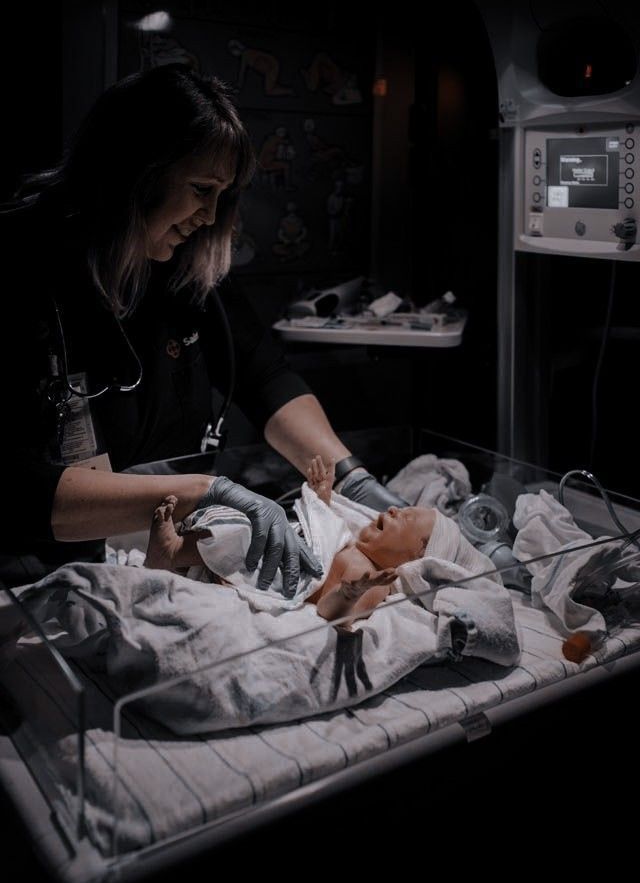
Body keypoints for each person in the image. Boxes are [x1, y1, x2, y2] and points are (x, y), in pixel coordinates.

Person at [1, 63, 405, 590]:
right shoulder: (24, 268)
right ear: (133, 170)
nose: (211, 217)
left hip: (148, 559)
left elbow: (265, 377)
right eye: (200, 189)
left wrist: (350, 475)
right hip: (32, 576)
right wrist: (204, 492)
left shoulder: (180, 268)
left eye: (223, 195)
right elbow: (13, 487)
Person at [144, 455, 436, 629]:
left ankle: (172, 553)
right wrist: (321, 499)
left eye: (407, 519)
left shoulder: (376, 583)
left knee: (243, 537)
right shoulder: (348, 539)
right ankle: (180, 549)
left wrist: (349, 594)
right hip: (278, 550)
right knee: (242, 523)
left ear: (415, 556)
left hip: (276, 576)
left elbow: (330, 614)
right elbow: (319, 530)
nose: (394, 509)